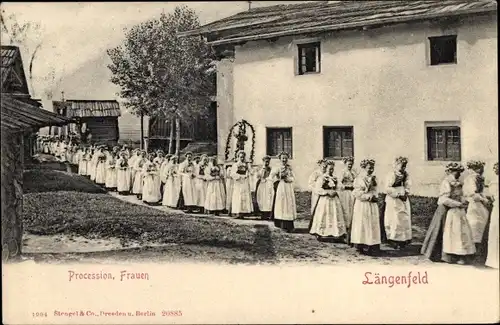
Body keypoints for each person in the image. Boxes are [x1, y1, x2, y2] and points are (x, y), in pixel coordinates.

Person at [420, 163, 475, 264]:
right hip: (447, 209)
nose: (458, 173)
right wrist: (458, 203)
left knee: (460, 231)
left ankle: (460, 254)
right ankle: (447, 255)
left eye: (459, 172)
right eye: (455, 171)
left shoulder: (459, 182)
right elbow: (443, 199)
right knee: (448, 231)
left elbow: (462, 194)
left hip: (458, 210)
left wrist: (464, 201)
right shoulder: (446, 182)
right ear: (450, 171)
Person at [309, 160, 347, 242]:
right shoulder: (322, 178)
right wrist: (326, 192)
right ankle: (322, 233)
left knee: (335, 215)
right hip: (325, 199)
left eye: (332, 169)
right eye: (330, 169)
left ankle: (335, 232)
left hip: (334, 199)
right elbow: (317, 189)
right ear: (326, 169)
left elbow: (340, 187)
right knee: (324, 214)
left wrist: (336, 191)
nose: (331, 171)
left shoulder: (334, 178)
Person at [350, 159, 381, 256]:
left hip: (372, 204)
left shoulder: (374, 178)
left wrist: (374, 196)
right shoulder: (359, 179)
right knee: (362, 223)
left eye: (372, 168)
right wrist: (367, 196)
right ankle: (360, 245)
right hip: (362, 204)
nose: (371, 170)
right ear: (364, 168)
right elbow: (356, 193)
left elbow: (376, 190)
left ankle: (372, 244)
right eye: (369, 168)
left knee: (372, 223)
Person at [384, 156, 412, 250]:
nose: (403, 168)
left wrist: (406, 192)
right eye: (401, 166)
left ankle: (403, 238)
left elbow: (408, 183)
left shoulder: (405, 174)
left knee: (404, 217)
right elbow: (387, 188)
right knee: (395, 218)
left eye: (405, 166)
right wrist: (398, 194)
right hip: (394, 198)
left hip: (403, 196)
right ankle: (393, 239)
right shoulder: (392, 174)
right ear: (396, 165)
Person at [464, 160, 491, 256]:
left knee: (481, 224)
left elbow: (480, 192)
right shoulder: (471, 179)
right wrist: (484, 200)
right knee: (474, 225)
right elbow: (473, 194)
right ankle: (473, 251)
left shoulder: (478, 178)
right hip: (475, 204)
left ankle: (479, 249)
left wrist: (485, 198)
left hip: (480, 205)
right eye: (480, 168)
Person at [271, 152, 297, 232]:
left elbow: (293, 177)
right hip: (281, 187)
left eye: (286, 158)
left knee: (288, 203)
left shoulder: (289, 168)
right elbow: (271, 176)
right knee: (281, 203)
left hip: (288, 187)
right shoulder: (277, 167)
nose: (284, 160)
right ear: (280, 159)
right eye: (283, 158)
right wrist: (277, 178)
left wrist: (288, 179)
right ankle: (280, 223)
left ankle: (288, 224)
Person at [230, 150, 254, 218]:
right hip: (238, 182)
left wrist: (248, 172)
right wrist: (239, 176)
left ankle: (243, 212)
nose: (242, 158)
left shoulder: (246, 165)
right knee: (238, 196)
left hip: (245, 182)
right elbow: (232, 174)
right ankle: (237, 212)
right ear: (238, 157)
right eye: (240, 157)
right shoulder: (235, 165)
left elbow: (251, 172)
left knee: (244, 196)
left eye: (243, 157)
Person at [339, 156, 356, 238]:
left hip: (353, 192)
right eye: (349, 164)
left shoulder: (354, 172)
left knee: (353, 209)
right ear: (345, 164)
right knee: (346, 209)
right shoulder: (343, 172)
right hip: (346, 193)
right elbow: (339, 184)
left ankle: (352, 227)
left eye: (351, 164)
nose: (350, 165)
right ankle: (346, 227)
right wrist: (347, 187)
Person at [485, 162, 499, 269]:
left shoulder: (493, 183)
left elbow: (492, 197)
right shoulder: (493, 183)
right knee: (495, 230)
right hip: (496, 208)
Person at [255, 156, 275, 220]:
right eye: (265, 162)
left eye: (268, 162)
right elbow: (258, 176)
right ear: (263, 162)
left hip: (268, 184)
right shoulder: (260, 169)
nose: (266, 163)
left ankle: (268, 213)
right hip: (262, 184)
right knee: (262, 198)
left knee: (268, 198)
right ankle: (262, 213)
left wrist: (268, 179)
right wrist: (260, 175)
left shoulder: (271, 169)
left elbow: (272, 176)